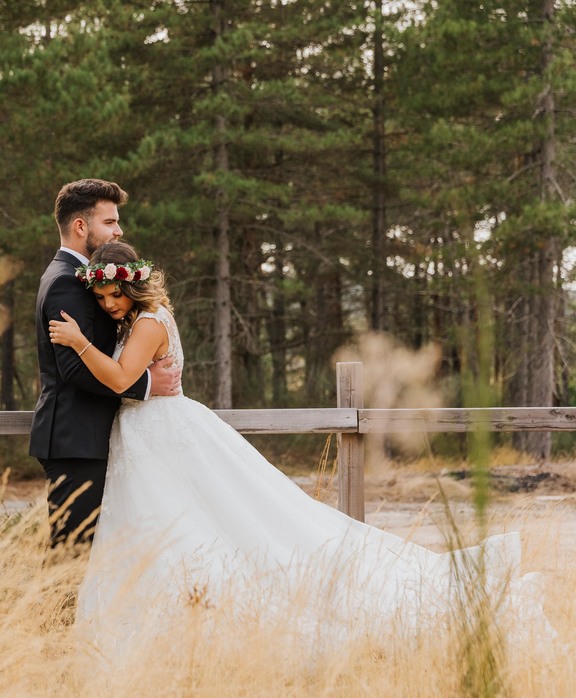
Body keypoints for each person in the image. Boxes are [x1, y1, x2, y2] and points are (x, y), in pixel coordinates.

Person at [49, 241, 548, 656]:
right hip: (147, 440)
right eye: (102, 296)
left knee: (226, 521)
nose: (109, 303)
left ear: (132, 285)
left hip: (164, 436)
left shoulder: (149, 322)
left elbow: (118, 376)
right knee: (172, 528)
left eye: (115, 294)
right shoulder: (135, 320)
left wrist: (77, 341)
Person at [30, 180, 181, 551]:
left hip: (91, 437)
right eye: (110, 222)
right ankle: (53, 612)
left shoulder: (82, 277)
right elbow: (73, 369)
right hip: (76, 438)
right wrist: (147, 384)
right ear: (81, 226)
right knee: (72, 551)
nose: (119, 230)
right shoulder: (67, 280)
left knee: (97, 550)